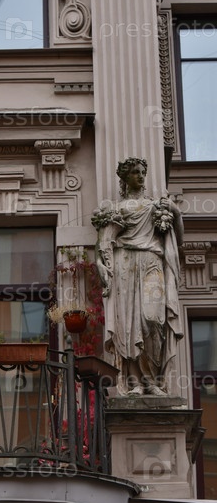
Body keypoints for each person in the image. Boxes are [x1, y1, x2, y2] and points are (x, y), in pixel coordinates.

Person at [92, 157, 183, 395]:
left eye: (143, 172)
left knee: (153, 318)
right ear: (125, 177)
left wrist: (176, 212)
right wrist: (100, 263)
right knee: (128, 325)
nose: (140, 176)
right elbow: (103, 242)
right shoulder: (116, 208)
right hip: (124, 264)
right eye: (135, 172)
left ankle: (153, 380)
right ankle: (136, 384)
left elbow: (178, 241)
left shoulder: (156, 207)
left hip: (152, 261)